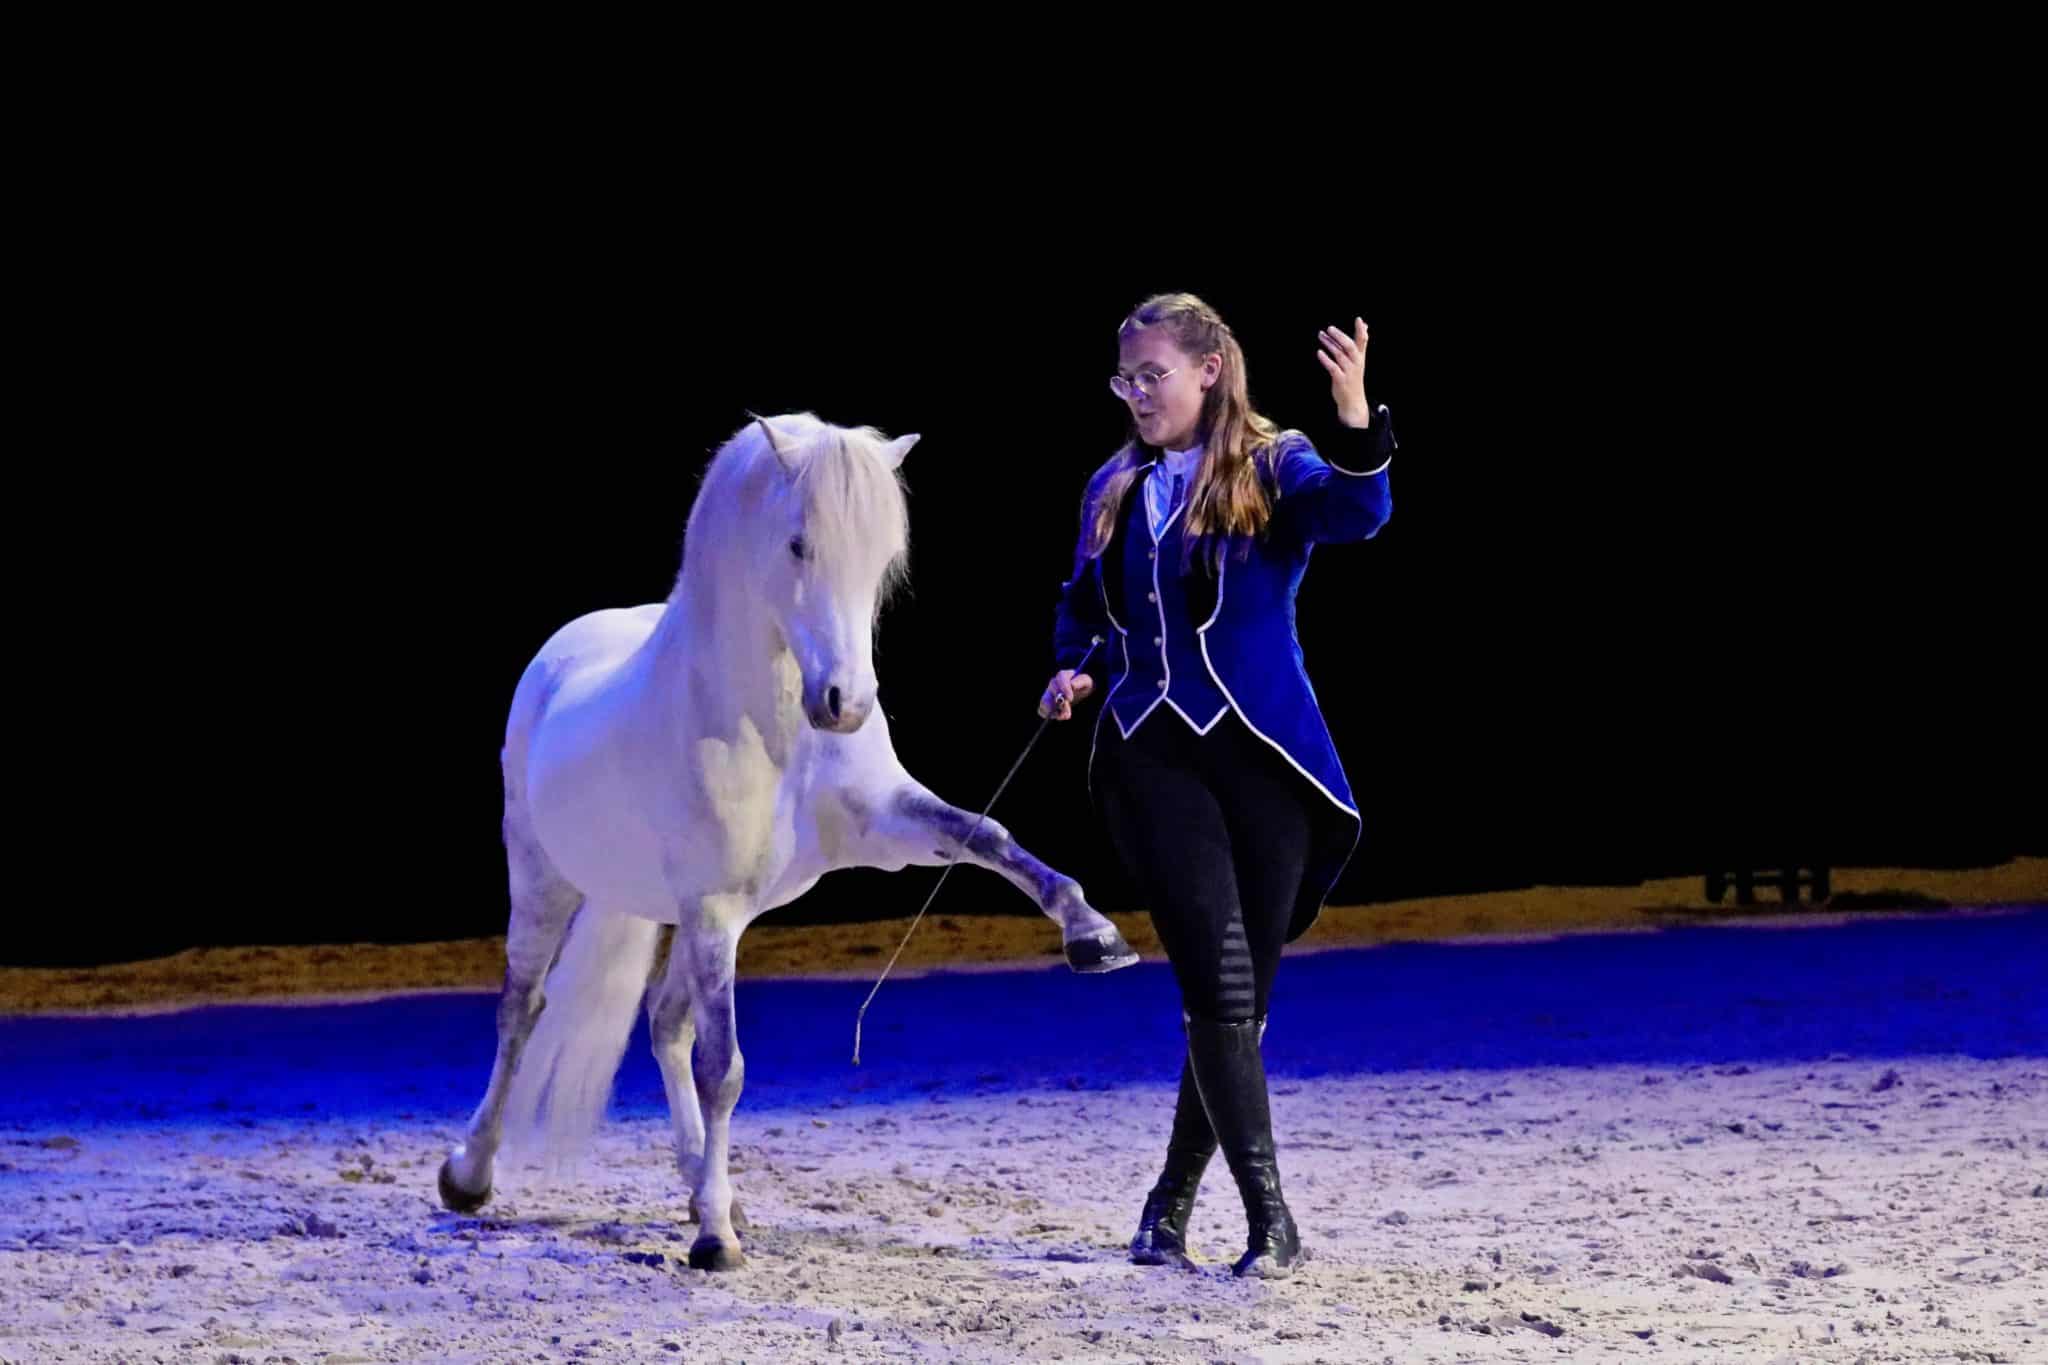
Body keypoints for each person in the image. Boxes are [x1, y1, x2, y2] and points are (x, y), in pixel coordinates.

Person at [1040, 292, 1396, 1277]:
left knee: (1238, 1007)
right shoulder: (1112, 488)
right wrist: (1074, 668)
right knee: (1217, 980)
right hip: (1149, 754)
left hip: (1267, 761)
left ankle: (1164, 1209)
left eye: (1150, 375)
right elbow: (1082, 611)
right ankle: (1271, 1225)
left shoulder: (1273, 465)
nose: (1135, 395)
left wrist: (1356, 417)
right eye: (1124, 379)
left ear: (1206, 371)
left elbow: (1358, 512)